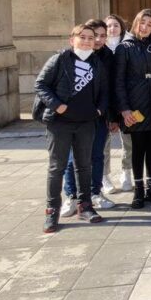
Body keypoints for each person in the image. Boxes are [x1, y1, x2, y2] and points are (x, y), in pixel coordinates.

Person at [36, 24, 109, 233]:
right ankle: (52, 211)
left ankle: (85, 206)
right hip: (59, 123)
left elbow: (104, 91)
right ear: (72, 39)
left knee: (84, 165)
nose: (87, 41)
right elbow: (41, 84)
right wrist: (57, 105)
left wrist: (99, 111)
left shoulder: (97, 63)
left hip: (86, 123)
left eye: (90, 38)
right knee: (57, 167)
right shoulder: (60, 59)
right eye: (82, 37)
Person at [114, 8, 151, 208]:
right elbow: (118, 81)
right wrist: (124, 109)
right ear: (136, 22)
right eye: (143, 22)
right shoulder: (124, 48)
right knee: (138, 148)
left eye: (150, 24)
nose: (145, 27)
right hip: (135, 105)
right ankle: (138, 191)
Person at [61, 19, 115, 217]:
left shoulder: (107, 58)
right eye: (94, 36)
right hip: (71, 118)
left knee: (97, 155)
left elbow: (109, 89)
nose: (98, 40)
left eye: (102, 36)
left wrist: (103, 112)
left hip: (96, 117)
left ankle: (94, 193)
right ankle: (72, 196)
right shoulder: (65, 58)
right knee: (71, 158)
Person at [103, 14, 132, 193]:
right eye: (109, 26)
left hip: (126, 101)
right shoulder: (99, 49)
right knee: (104, 143)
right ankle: (104, 176)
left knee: (128, 141)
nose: (112, 29)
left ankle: (126, 172)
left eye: (115, 25)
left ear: (121, 27)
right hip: (106, 103)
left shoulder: (128, 46)